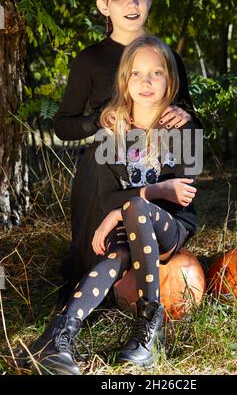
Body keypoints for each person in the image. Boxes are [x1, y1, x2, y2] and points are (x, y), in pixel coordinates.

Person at [19, 35, 202, 375]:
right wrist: (149, 193)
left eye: (157, 73)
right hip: (129, 229)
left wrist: (129, 206)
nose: (146, 82)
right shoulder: (113, 132)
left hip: (171, 228)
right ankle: (57, 336)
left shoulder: (185, 128)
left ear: (171, 80)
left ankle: (148, 329)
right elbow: (106, 198)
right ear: (124, 80)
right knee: (118, 253)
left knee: (135, 211)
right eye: (136, 73)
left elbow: (184, 197)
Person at [53, 0, 202, 302]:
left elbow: (190, 122)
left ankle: (142, 290)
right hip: (108, 170)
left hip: (156, 164)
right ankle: (88, 282)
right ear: (103, 6)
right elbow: (62, 125)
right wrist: (97, 121)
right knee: (97, 174)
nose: (132, 4)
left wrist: (183, 112)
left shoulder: (167, 57)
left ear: (150, 0)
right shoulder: (89, 60)